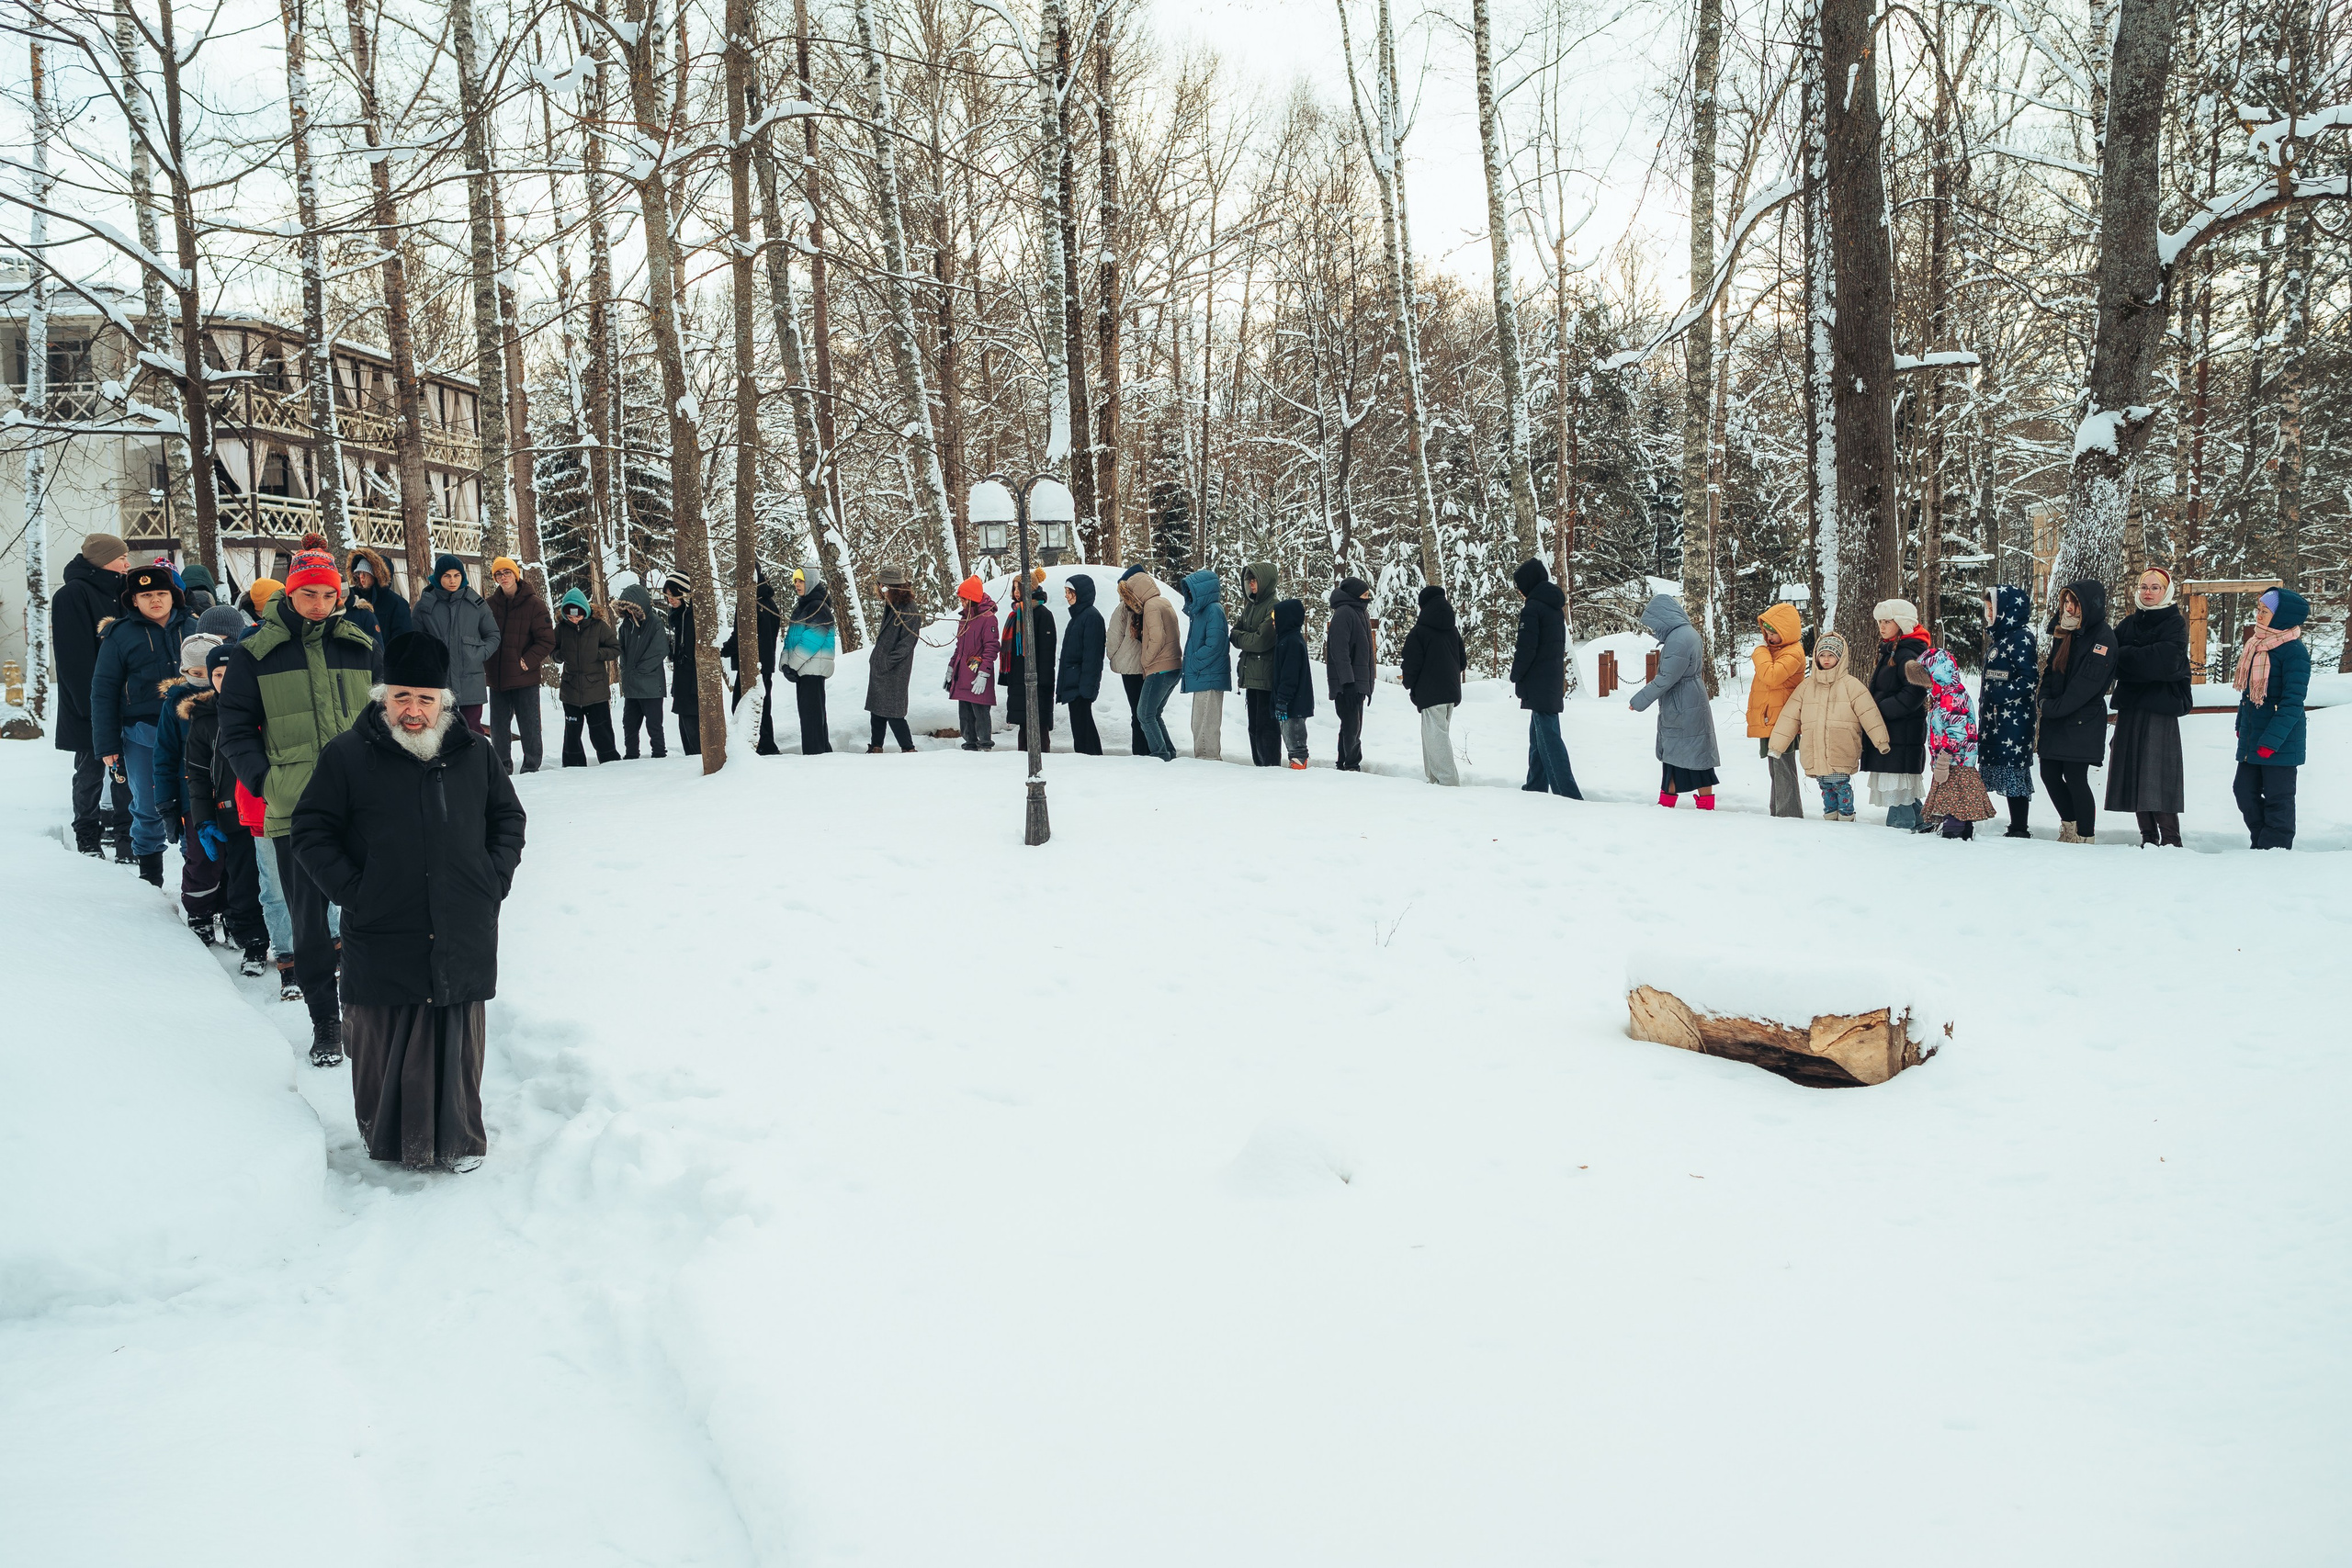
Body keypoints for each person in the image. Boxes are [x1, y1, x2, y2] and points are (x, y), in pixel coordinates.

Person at [291, 633, 526, 1171]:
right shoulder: (348, 755)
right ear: (382, 697)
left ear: (444, 701)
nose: (413, 711)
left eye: (425, 699)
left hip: (461, 921)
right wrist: (355, 891)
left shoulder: (476, 753)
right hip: (383, 923)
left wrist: (493, 879)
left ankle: (458, 1140)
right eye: (401, 697)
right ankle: (394, 1142)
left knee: (456, 1040)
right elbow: (311, 829)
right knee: (386, 1039)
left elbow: (507, 819)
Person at [218, 539, 381, 1063]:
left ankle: (367, 1013)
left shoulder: (359, 644)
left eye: (326, 595)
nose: (318, 604)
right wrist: (267, 782)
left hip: (361, 806)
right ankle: (325, 1023)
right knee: (309, 922)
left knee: (368, 910)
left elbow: (382, 717)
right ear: (290, 593)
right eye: (307, 594)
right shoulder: (255, 652)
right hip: (295, 807)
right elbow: (235, 728)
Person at [91, 560, 198, 886]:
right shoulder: (119, 635)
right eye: (146, 594)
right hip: (143, 733)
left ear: (174, 595)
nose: (155, 600)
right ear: (133, 601)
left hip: (192, 731)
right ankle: (151, 881)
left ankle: (201, 882)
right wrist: (107, 745)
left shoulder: (194, 627)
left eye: (161, 593)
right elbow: (103, 690)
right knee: (149, 807)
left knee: (195, 807)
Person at [183, 640, 271, 975]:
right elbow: (198, 775)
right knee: (243, 883)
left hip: (268, 810)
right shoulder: (205, 718)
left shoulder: (264, 708)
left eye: (231, 672)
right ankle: (253, 944)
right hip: (231, 814)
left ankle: (293, 944)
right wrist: (204, 819)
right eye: (217, 673)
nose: (224, 679)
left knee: (278, 884)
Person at [52, 532, 132, 859]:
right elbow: (73, 657)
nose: (128, 563)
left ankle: (127, 839)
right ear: (103, 561)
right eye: (122, 557)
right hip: (87, 703)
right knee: (89, 771)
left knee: (126, 774)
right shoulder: (72, 595)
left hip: (126, 700)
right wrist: (92, 707)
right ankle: (87, 837)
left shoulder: (124, 592)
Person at [2107, 568, 2191, 846]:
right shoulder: (2128, 624)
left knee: (2158, 773)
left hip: (2160, 710)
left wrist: (2129, 657)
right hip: (2131, 709)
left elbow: (2166, 663)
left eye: (2155, 588)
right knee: (2134, 771)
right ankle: (2147, 837)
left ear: (2165, 591)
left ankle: (2170, 839)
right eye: (2144, 586)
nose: (2148, 592)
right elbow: (2112, 660)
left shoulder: (2174, 623)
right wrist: (2141, 661)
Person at [1768, 632, 1892, 820]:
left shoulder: (1852, 685)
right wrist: (1777, 746)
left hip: (1841, 748)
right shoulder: (1807, 686)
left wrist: (1881, 741)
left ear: (1840, 658)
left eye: (1831, 655)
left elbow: (1869, 714)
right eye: (1822, 655)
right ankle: (1830, 817)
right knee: (1825, 787)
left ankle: (1846, 816)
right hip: (1815, 749)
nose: (1826, 659)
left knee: (1842, 786)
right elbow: (1789, 717)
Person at [153, 632, 226, 933]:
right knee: (201, 860)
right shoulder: (174, 706)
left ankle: (234, 912)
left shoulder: (234, 699)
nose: (203, 679)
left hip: (232, 795)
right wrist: (167, 802)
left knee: (235, 859)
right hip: (192, 798)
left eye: (209, 673)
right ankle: (199, 912)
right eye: (195, 674)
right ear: (185, 673)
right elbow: (164, 756)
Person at [2036, 580, 2117, 844]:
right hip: (2056, 716)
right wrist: (2044, 699)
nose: (2069, 608)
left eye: (2075, 603)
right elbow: (2050, 671)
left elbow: (2087, 684)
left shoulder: (2102, 637)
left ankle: (2085, 836)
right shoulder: (2065, 632)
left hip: (2082, 719)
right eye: (2066, 602)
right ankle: (2069, 826)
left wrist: (2054, 708)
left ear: (2089, 605)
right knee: (2048, 774)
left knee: (2075, 777)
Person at [2233, 587, 2309, 850]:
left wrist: (2271, 742)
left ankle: (2275, 849)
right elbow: (2248, 694)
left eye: (2266, 611)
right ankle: (2263, 841)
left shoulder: (2295, 652)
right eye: (2259, 609)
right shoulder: (2256, 644)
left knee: (2279, 798)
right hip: (2254, 736)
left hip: (2281, 741)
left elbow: (2293, 703)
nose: (2259, 615)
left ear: (2282, 616)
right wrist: (2240, 725)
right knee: (2243, 791)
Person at [1630, 592, 1722, 809]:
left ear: (1663, 618)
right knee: (1699, 757)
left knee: (1673, 756)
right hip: (1692, 699)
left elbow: (1666, 678)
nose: (1654, 631)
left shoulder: (1678, 639)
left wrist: (1639, 700)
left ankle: (1666, 806)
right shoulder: (1687, 633)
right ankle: (1706, 804)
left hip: (1681, 704)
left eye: (1655, 625)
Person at [1909, 634, 1995, 839]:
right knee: (1955, 799)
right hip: (1953, 760)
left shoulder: (1952, 696)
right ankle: (1961, 832)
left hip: (1956, 760)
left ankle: (1954, 835)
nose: (1927, 685)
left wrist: (1945, 757)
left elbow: (1957, 730)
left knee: (1955, 801)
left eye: (1927, 679)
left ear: (1938, 673)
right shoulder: (1942, 696)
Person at [1510, 558, 1581, 797]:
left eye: (1520, 586)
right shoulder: (1553, 608)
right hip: (1550, 680)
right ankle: (1535, 786)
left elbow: (1526, 648)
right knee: (1538, 737)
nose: (1520, 592)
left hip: (1538, 681)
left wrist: (1516, 674)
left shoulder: (1532, 608)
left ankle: (1567, 793)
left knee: (1549, 740)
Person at [1861, 601, 1933, 829]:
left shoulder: (1907, 653)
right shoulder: (1893, 649)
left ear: (1901, 623)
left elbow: (1914, 693)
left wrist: (1879, 710)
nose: (1881, 627)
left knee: (1897, 787)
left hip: (1900, 732)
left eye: (1887, 622)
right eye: (1880, 622)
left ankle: (1900, 834)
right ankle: (1921, 823)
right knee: (1902, 790)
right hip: (1896, 733)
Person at [412, 553, 497, 736]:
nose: (453, 580)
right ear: (438, 577)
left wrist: (478, 655)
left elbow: (493, 635)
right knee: (440, 732)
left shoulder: (476, 604)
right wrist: (428, 661)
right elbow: (414, 641)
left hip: (470, 680)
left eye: (457, 575)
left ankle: (474, 765)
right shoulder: (425, 605)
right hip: (438, 681)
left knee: (473, 731)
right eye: (447, 576)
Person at [1979, 586, 2041, 838]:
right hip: (1995, 721)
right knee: (2001, 767)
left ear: (2008, 610)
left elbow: (2029, 678)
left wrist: (1999, 696)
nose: (1989, 613)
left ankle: (2019, 828)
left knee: (2014, 771)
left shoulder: (2020, 638)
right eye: (1987, 609)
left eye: (1993, 609)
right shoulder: (2001, 638)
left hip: (2014, 720)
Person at [486, 556, 557, 772]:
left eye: (507, 572)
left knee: (529, 726)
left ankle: (531, 767)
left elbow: (547, 640)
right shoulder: (489, 605)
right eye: (498, 574)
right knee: (498, 729)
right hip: (498, 678)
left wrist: (526, 662)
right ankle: (502, 769)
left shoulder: (534, 604)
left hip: (524, 677)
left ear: (515, 575)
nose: (503, 577)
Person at [1400, 583, 1467, 785]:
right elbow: (1462, 662)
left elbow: (1411, 664)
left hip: (1430, 692)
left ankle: (1448, 782)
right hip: (1451, 691)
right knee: (1436, 735)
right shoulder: (1452, 630)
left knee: (1436, 737)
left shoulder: (1419, 632)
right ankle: (1435, 780)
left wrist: (1410, 685)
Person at [1747, 603, 1807, 818]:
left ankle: (1788, 815)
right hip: (1771, 719)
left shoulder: (1793, 653)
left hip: (1783, 721)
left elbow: (1772, 676)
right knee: (1776, 769)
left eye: (1774, 633)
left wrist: (1760, 653)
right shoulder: (1776, 651)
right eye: (1767, 633)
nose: (1769, 638)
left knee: (1783, 769)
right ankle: (1779, 812)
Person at [552, 587, 622, 766]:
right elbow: (552, 651)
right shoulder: (561, 629)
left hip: (596, 690)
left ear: (585, 610)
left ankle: (610, 763)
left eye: (578, 615)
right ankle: (573, 767)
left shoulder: (598, 626)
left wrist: (597, 653)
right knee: (572, 732)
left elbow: (615, 648)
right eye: (570, 616)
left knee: (601, 731)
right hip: (571, 689)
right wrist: (560, 656)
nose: (574, 619)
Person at [1123, 570, 1183, 761]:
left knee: (1144, 714)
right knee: (1154, 713)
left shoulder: (1151, 606)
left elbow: (1157, 638)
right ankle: (1169, 752)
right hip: (1173, 666)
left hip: (1160, 668)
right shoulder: (1163, 601)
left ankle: (1160, 754)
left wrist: (1145, 661)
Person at [724, 569, 785, 754]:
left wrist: (721, 650)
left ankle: (761, 746)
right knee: (763, 706)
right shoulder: (770, 603)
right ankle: (766, 745)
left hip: (752, 664)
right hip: (765, 664)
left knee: (743, 707)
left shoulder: (749, 604)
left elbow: (740, 637)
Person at [780, 565, 839, 755]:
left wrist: (793, 666)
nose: (797, 584)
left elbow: (812, 639)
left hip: (812, 669)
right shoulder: (803, 607)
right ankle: (821, 752)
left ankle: (815, 755)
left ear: (811, 582)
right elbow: (791, 638)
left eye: (801, 580)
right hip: (804, 670)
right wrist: (784, 664)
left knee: (811, 717)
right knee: (811, 716)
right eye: (795, 581)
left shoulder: (817, 607)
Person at [865, 566, 922, 752]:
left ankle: (908, 748)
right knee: (877, 709)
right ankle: (876, 746)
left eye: (884, 587)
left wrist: (887, 661)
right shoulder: (891, 605)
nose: (881, 590)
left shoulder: (908, 608)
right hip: (881, 667)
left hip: (895, 669)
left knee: (894, 712)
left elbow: (907, 643)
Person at [1231, 560, 1283, 766]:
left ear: (1265, 581)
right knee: (1253, 728)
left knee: (1266, 728)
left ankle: (1270, 768)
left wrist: (1244, 637)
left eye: (1255, 581)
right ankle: (1259, 768)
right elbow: (1234, 633)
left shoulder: (1273, 606)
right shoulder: (1251, 606)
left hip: (1266, 676)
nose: (1251, 585)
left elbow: (1262, 641)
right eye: (1249, 581)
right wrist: (1245, 637)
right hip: (1251, 675)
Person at [613, 581, 671, 758]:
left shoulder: (654, 623)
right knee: (629, 724)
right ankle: (631, 755)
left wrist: (639, 670)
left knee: (654, 725)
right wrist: (625, 669)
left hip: (651, 686)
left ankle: (659, 754)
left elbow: (660, 650)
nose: (629, 612)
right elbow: (620, 649)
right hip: (632, 686)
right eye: (625, 608)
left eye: (631, 607)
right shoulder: (626, 625)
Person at [1001, 570, 1057, 753]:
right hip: (1019, 677)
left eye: (1020, 587)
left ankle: (1041, 760)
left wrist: (1044, 680)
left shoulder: (1042, 613)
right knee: (1024, 724)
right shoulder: (1016, 614)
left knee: (1038, 723)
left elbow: (1047, 651)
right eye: (1014, 588)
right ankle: (1023, 759)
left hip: (1037, 679)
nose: (1016, 592)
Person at [1324, 576, 1375, 771]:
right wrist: (1348, 681)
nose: (1367, 596)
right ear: (1354, 594)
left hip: (1358, 681)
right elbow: (1339, 651)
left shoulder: (1360, 612)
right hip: (1348, 683)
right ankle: (1351, 764)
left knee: (1351, 726)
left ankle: (1345, 762)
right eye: (1363, 593)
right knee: (1351, 726)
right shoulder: (1345, 613)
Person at [1181, 569, 1230, 761]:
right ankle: (1205, 760)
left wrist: (1193, 662)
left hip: (1208, 675)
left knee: (1205, 726)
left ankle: (1208, 763)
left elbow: (1214, 644)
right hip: (1204, 675)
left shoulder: (1213, 610)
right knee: (1199, 724)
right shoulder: (1201, 612)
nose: (1190, 594)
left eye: (1192, 589)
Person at [1058, 572, 1107, 754]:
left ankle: (1091, 760)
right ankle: (1087, 758)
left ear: (1082, 593)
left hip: (1080, 685)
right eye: (1066, 592)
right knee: (1080, 727)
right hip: (1074, 682)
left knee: (1083, 727)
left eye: (1070, 592)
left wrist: (1087, 688)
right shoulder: (1078, 617)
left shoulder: (1091, 617)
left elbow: (1092, 657)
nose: (1066, 596)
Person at [948, 575, 1000, 749]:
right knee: (965, 713)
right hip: (963, 674)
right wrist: (951, 668)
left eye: (963, 598)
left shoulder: (987, 618)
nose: (961, 602)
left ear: (970, 598)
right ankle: (969, 743)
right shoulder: (965, 618)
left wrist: (984, 673)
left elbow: (991, 647)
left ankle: (985, 744)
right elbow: (959, 647)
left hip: (977, 675)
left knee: (980, 711)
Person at [1104, 564, 1149, 753]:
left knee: (1136, 712)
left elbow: (1113, 637)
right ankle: (1146, 748)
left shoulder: (1123, 608)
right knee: (1145, 712)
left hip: (1129, 668)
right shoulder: (1150, 605)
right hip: (1146, 665)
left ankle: (1139, 750)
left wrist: (1114, 656)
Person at [1270, 597, 1316, 769]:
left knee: (1295, 739)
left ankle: (1298, 767)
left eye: (1276, 618)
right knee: (1290, 737)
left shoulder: (1291, 642)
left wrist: (1282, 700)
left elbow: (1290, 676)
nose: (1273, 622)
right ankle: (1295, 764)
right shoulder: (1286, 640)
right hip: (1291, 702)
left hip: (1294, 703)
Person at [663, 573, 703, 756]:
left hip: (692, 680)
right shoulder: (678, 616)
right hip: (681, 678)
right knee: (684, 725)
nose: (670, 599)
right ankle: (691, 760)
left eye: (673, 594)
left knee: (692, 724)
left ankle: (697, 760)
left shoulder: (695, 616)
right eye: (667, 595)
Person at [344, 547, 413, 643]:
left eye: (365, 574)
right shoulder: (349, 598)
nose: (361, 577)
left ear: (376, 575)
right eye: (358, 573)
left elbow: (403, 641)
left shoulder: (397, 604)